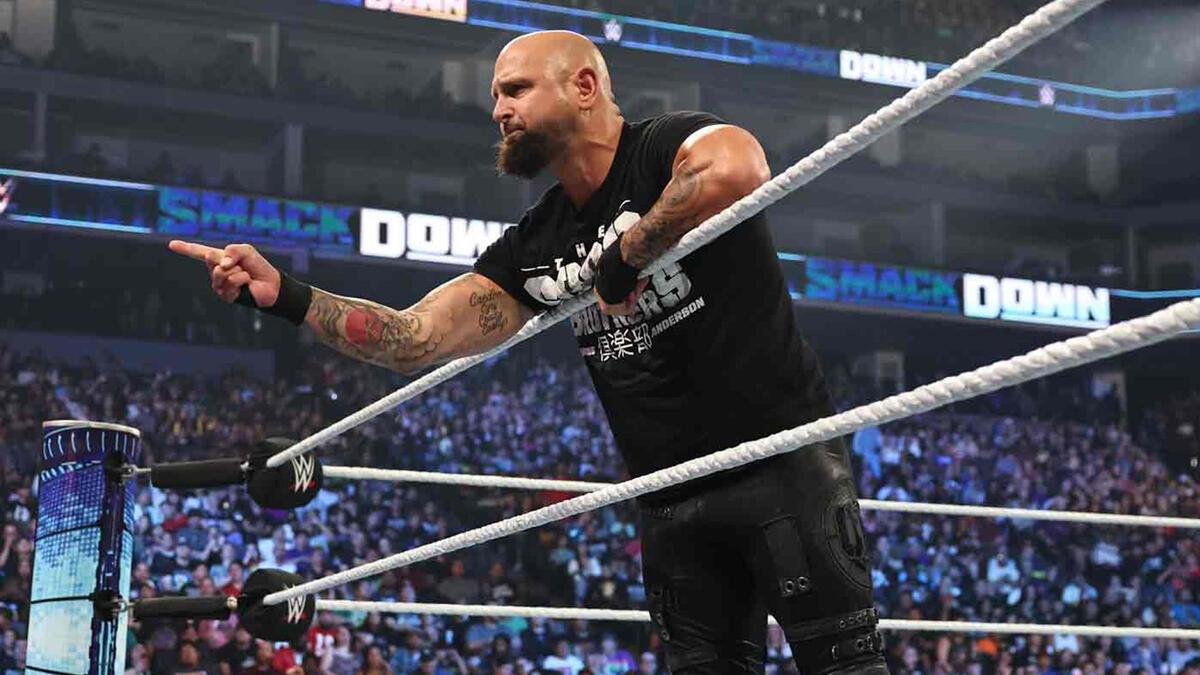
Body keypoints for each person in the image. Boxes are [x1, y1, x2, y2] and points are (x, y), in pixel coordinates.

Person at [168, 29, 885, 674]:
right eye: (495, 96)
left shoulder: (664, 146)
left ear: (583, 85)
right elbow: (412, 338)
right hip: (670, 501)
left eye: (514, 89)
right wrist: (284, 294)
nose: (498, 110)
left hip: (781, 465)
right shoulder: (536, 243)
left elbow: (739, 169)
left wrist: (629, 250)